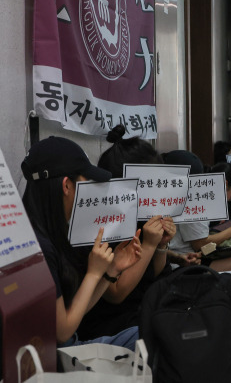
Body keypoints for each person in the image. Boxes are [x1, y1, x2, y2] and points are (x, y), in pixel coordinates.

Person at [21, 137, 143, 351]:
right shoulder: (39, 246)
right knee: (152, 335)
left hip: (64, 348)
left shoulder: (40, 230)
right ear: (67, 185)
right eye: (86, 183)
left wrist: (110, 271)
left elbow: (72, 314)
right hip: (60, 358)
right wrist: (94, 273)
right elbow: (62, 332)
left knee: (152, 330)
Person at [78, 125, 176, 340]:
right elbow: (116, 294)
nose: (156, 186)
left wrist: (161, 245)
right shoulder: (99, 222)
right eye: (150, 181)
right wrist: (150, 245)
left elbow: (154, 274)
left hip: (143, 308)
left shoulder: (145, 211)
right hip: (111, 324)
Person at [162, 151, 231, 283]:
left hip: (186, 258)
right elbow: (199, 244)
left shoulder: (186, 196)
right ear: (225, 184)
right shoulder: (195, 198)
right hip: (185, 263)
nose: (230, 199)